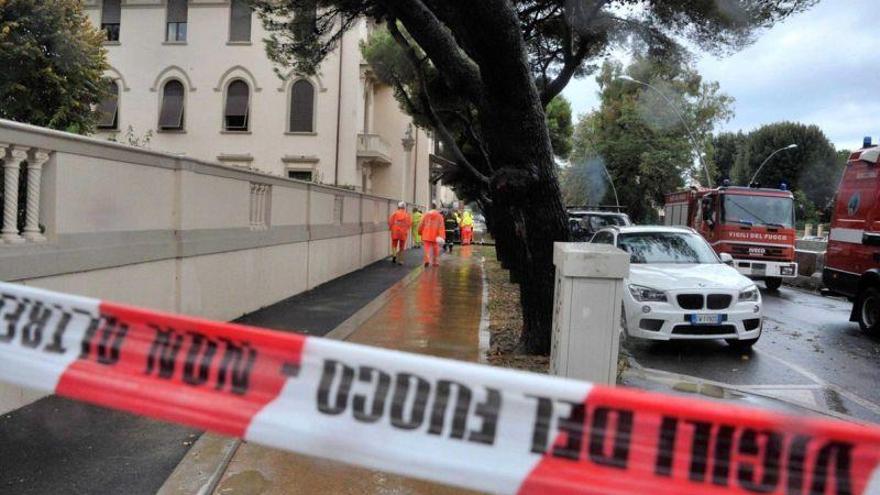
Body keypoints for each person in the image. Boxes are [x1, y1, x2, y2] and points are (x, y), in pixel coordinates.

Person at [418, 201, 445, 267]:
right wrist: (442, 236)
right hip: (436, 236)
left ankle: (427, 260)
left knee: (426, 249)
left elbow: (421, 224)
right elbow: (441, 227)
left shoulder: (425, 215)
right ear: (436, 208)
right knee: (435, 249)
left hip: (426, 235)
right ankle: (435, 262)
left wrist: (420, 232)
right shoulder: (439, 216)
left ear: (430, 207)